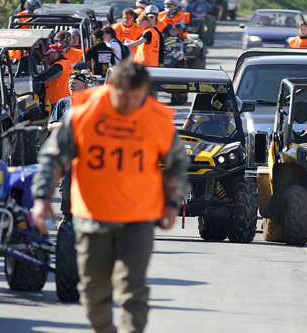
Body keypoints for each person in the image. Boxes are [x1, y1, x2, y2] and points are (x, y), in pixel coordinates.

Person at [31, 59, 189, 332]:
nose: (128, 104)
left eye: (136, 97)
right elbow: (52, 157)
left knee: (132, 289)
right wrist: (42, 198)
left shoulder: (157, 118)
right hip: (93, 216)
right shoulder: (84, 112)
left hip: (139, 217)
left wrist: (172, 204)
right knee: (93, 293)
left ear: (144, 92)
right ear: (110, 86)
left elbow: (177, 164)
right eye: (122, 96)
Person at [48, 71, 90, 223]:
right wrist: (67, 124)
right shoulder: (63, 103)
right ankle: (67, 215)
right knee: (66, 185)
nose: (71, 85)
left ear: (83, 85)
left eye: (74, 83)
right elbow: (50, 126)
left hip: (88, 151)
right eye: (69, 82)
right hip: (67, 151)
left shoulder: (91, 102)